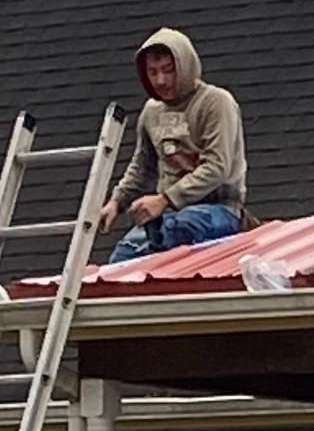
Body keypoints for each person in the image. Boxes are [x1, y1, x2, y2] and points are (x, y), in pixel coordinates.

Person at [100, 29, 247, 264]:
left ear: (185, 66)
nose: (161, 80)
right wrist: (116, 203)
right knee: (123, 259)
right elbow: (142, 167)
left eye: (168, 70)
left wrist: (164, 199)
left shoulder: (215, 103)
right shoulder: (151, 112)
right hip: (167, 214)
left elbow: (217, 167)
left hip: (218, 209)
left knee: (180, 227)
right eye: (153, 72)